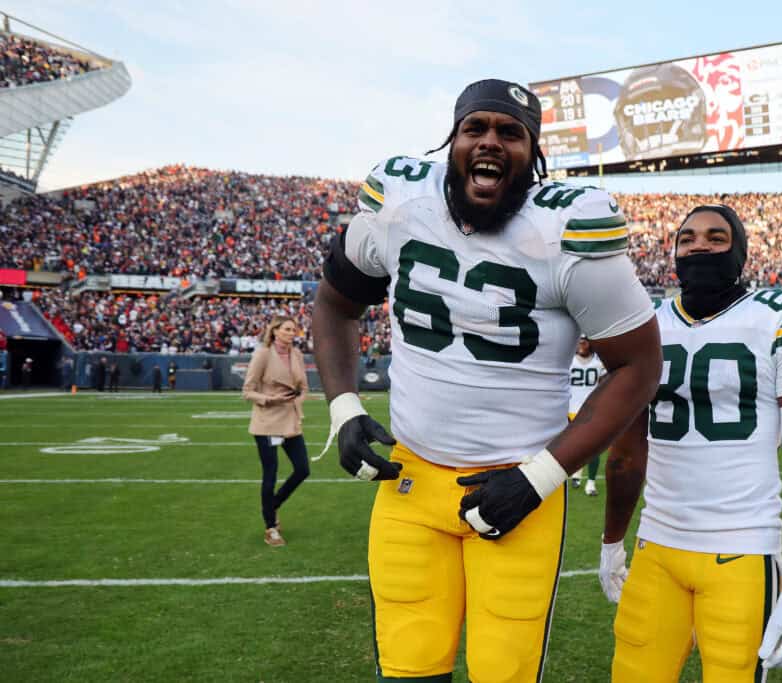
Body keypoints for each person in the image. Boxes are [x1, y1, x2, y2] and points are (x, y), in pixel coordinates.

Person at [311, 78, 661, 682]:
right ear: (452, 140)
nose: (490, 143)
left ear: (536, 154)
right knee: (408, 670)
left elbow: (639, 366)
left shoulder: (569, 228)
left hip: (519, 487)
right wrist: (343, 407)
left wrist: (540, 478)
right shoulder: (399, 201)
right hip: (411, 483)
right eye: (476, 128)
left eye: (510, 133)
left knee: (504, 673)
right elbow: (335, 302)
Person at [600, 205, 782, 682]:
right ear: (673, 252)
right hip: (657, 548)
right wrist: (611, 544)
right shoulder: (647, 322)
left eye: (715, 237)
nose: (699, 246)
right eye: (686, 238)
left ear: (740, 251)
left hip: (742, 550)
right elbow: (626, 453)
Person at [243, 316, 310, 546]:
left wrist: (298, 400)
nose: (292, 333)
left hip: (290, 421)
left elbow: (304, 388)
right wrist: (270, 399)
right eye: (287, 329)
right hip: (267, 422)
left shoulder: (297, 355)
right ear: (275, 331)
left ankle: (272, 505)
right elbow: (248, 391)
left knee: (302, 469)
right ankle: (271, 527)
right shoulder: (263, 354)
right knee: (270, 473)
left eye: (294, 329)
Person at [569, 336, 606, 495]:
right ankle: (576, 473)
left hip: (590, 410)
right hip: (569, 410)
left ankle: (590, 483)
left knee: (593, 448)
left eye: (584, 341)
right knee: (573, 448)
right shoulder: (569, 360)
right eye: (579, 341)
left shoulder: (599, 362)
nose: (581, 344)